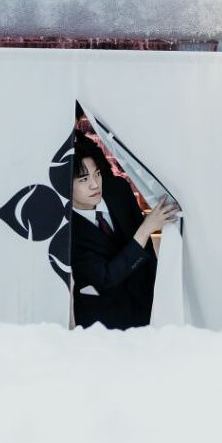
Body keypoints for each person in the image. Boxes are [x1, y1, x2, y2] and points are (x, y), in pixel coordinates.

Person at [70, 132, 178, 330]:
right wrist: (146, 229)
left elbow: (145, 253)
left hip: (147, 303)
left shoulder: (118, 189)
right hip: (104, 320)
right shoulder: (68, 229)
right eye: (84, 179)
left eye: (97, 174)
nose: (95, 184)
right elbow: (106, 278)